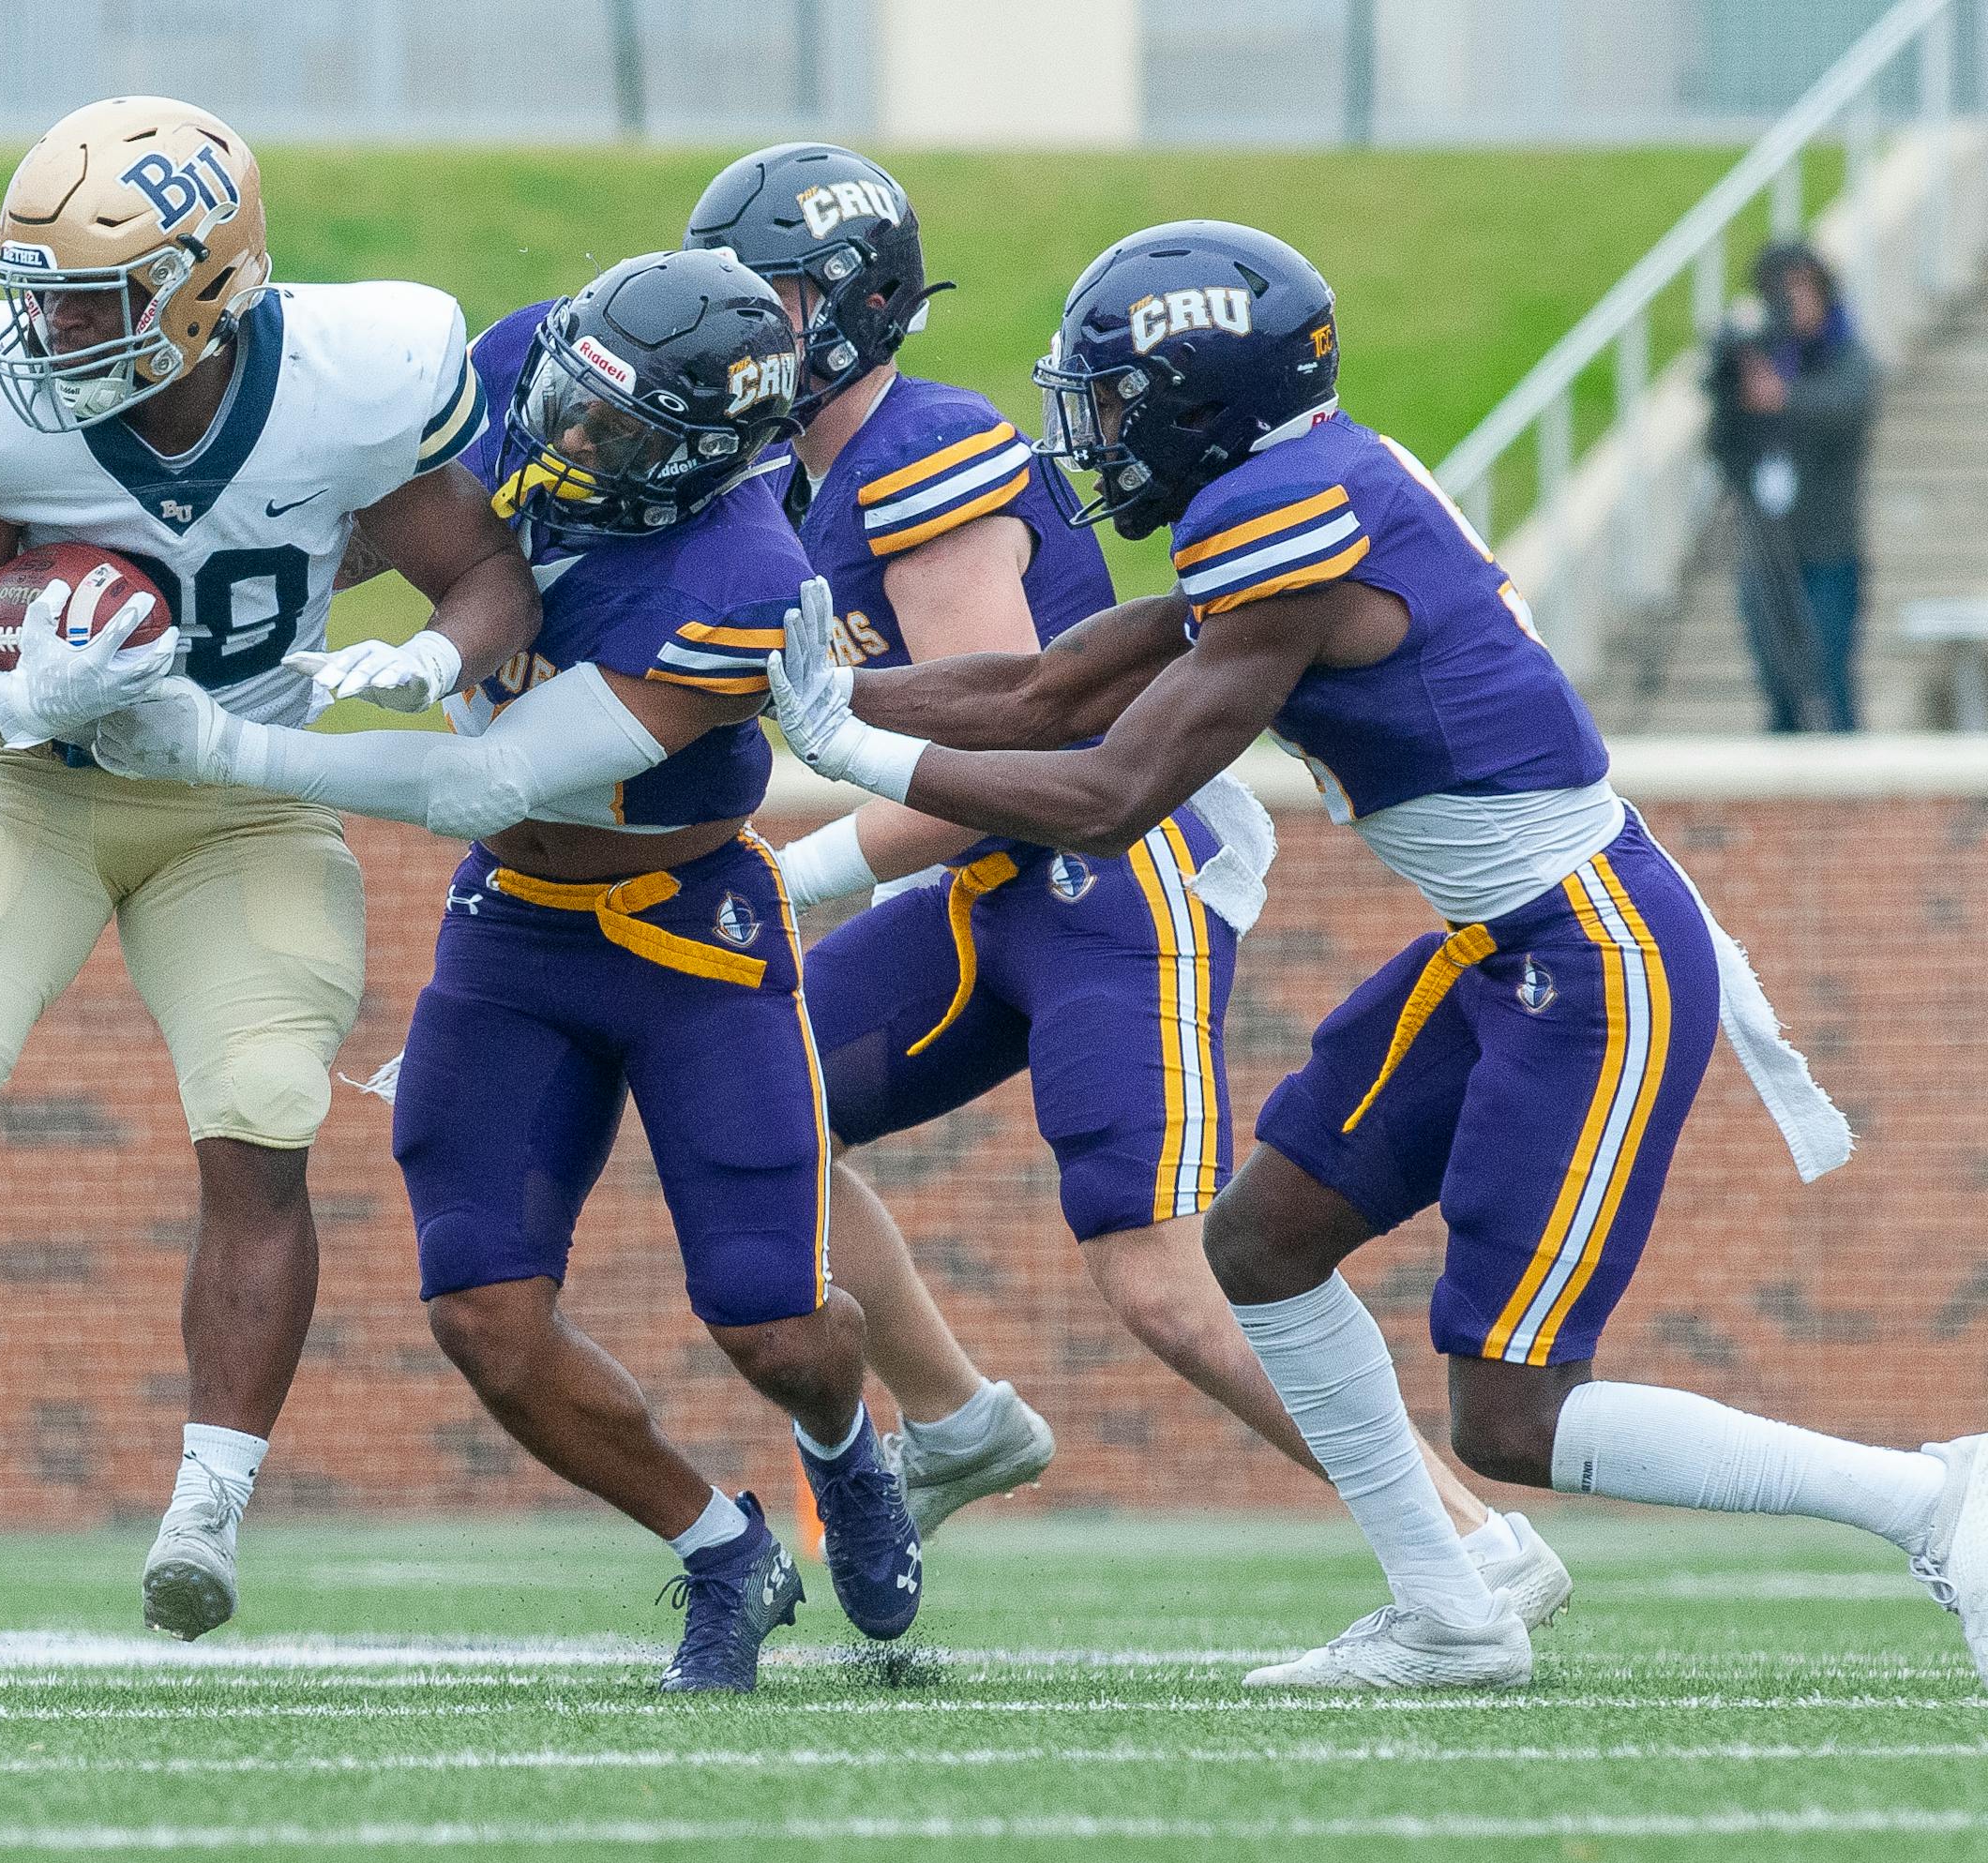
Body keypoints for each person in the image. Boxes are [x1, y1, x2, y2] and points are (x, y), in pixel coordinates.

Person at [766, 219, 1988, 1693]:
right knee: (1263, 1244)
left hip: (1591, 953)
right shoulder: (1297, 486)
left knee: (1511, 1416)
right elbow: (1047, 680)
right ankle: (1450, 1610)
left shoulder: (1285, 522)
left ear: (1199, 394)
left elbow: (1108, 790)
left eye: (1111, 395)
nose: (1091, 433)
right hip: (1510, 944)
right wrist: (847, 697)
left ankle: (1930, 1497)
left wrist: (863, 754)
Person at [0, 97, 540, 1642]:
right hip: (34, 783)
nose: (47, 326)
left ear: (206, 286)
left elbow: (482, 568)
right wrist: (10, 697)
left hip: (249, 795)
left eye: (88, 295)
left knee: (265, 1112)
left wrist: (423, 663)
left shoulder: (355, 380)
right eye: (38, 290)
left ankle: (209, 1499)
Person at [681, 143, 1568, 1621]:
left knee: (1158, 1274)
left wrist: (794, 870)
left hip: (1114, 867)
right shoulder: (791, 475)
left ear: (847, 304)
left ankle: (1470, 1532)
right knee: (747, 1096)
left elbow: (1001, 750)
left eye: (768, 297)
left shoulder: (917, 457)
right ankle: (957, 1417)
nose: (743, 330)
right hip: (999, 888)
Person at [95, 248, 922, 1694]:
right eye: (570, 402)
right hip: (517, 927)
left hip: (686, 930)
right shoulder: (535, 355)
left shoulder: (738, 574)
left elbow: (495, 776)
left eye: (616, 438)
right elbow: (358, 509)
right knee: (481, 1307)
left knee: (772, 1319)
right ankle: (727, 1550)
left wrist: (228, 746)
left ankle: (847, 1448)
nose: (565, 439)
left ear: (704, 463)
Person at [1706, 241, 1878, 732]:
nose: (1794, 302)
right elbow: (1724, 446)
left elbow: (1848, 407)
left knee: (1831, 678)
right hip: (1765, 546)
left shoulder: (1846, 355)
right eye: (1784, 290)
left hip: (1827, 548)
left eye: (1805, 288)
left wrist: (1785, 398)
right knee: (1778, 685)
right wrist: (1730, 386)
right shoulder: (1760, 352)